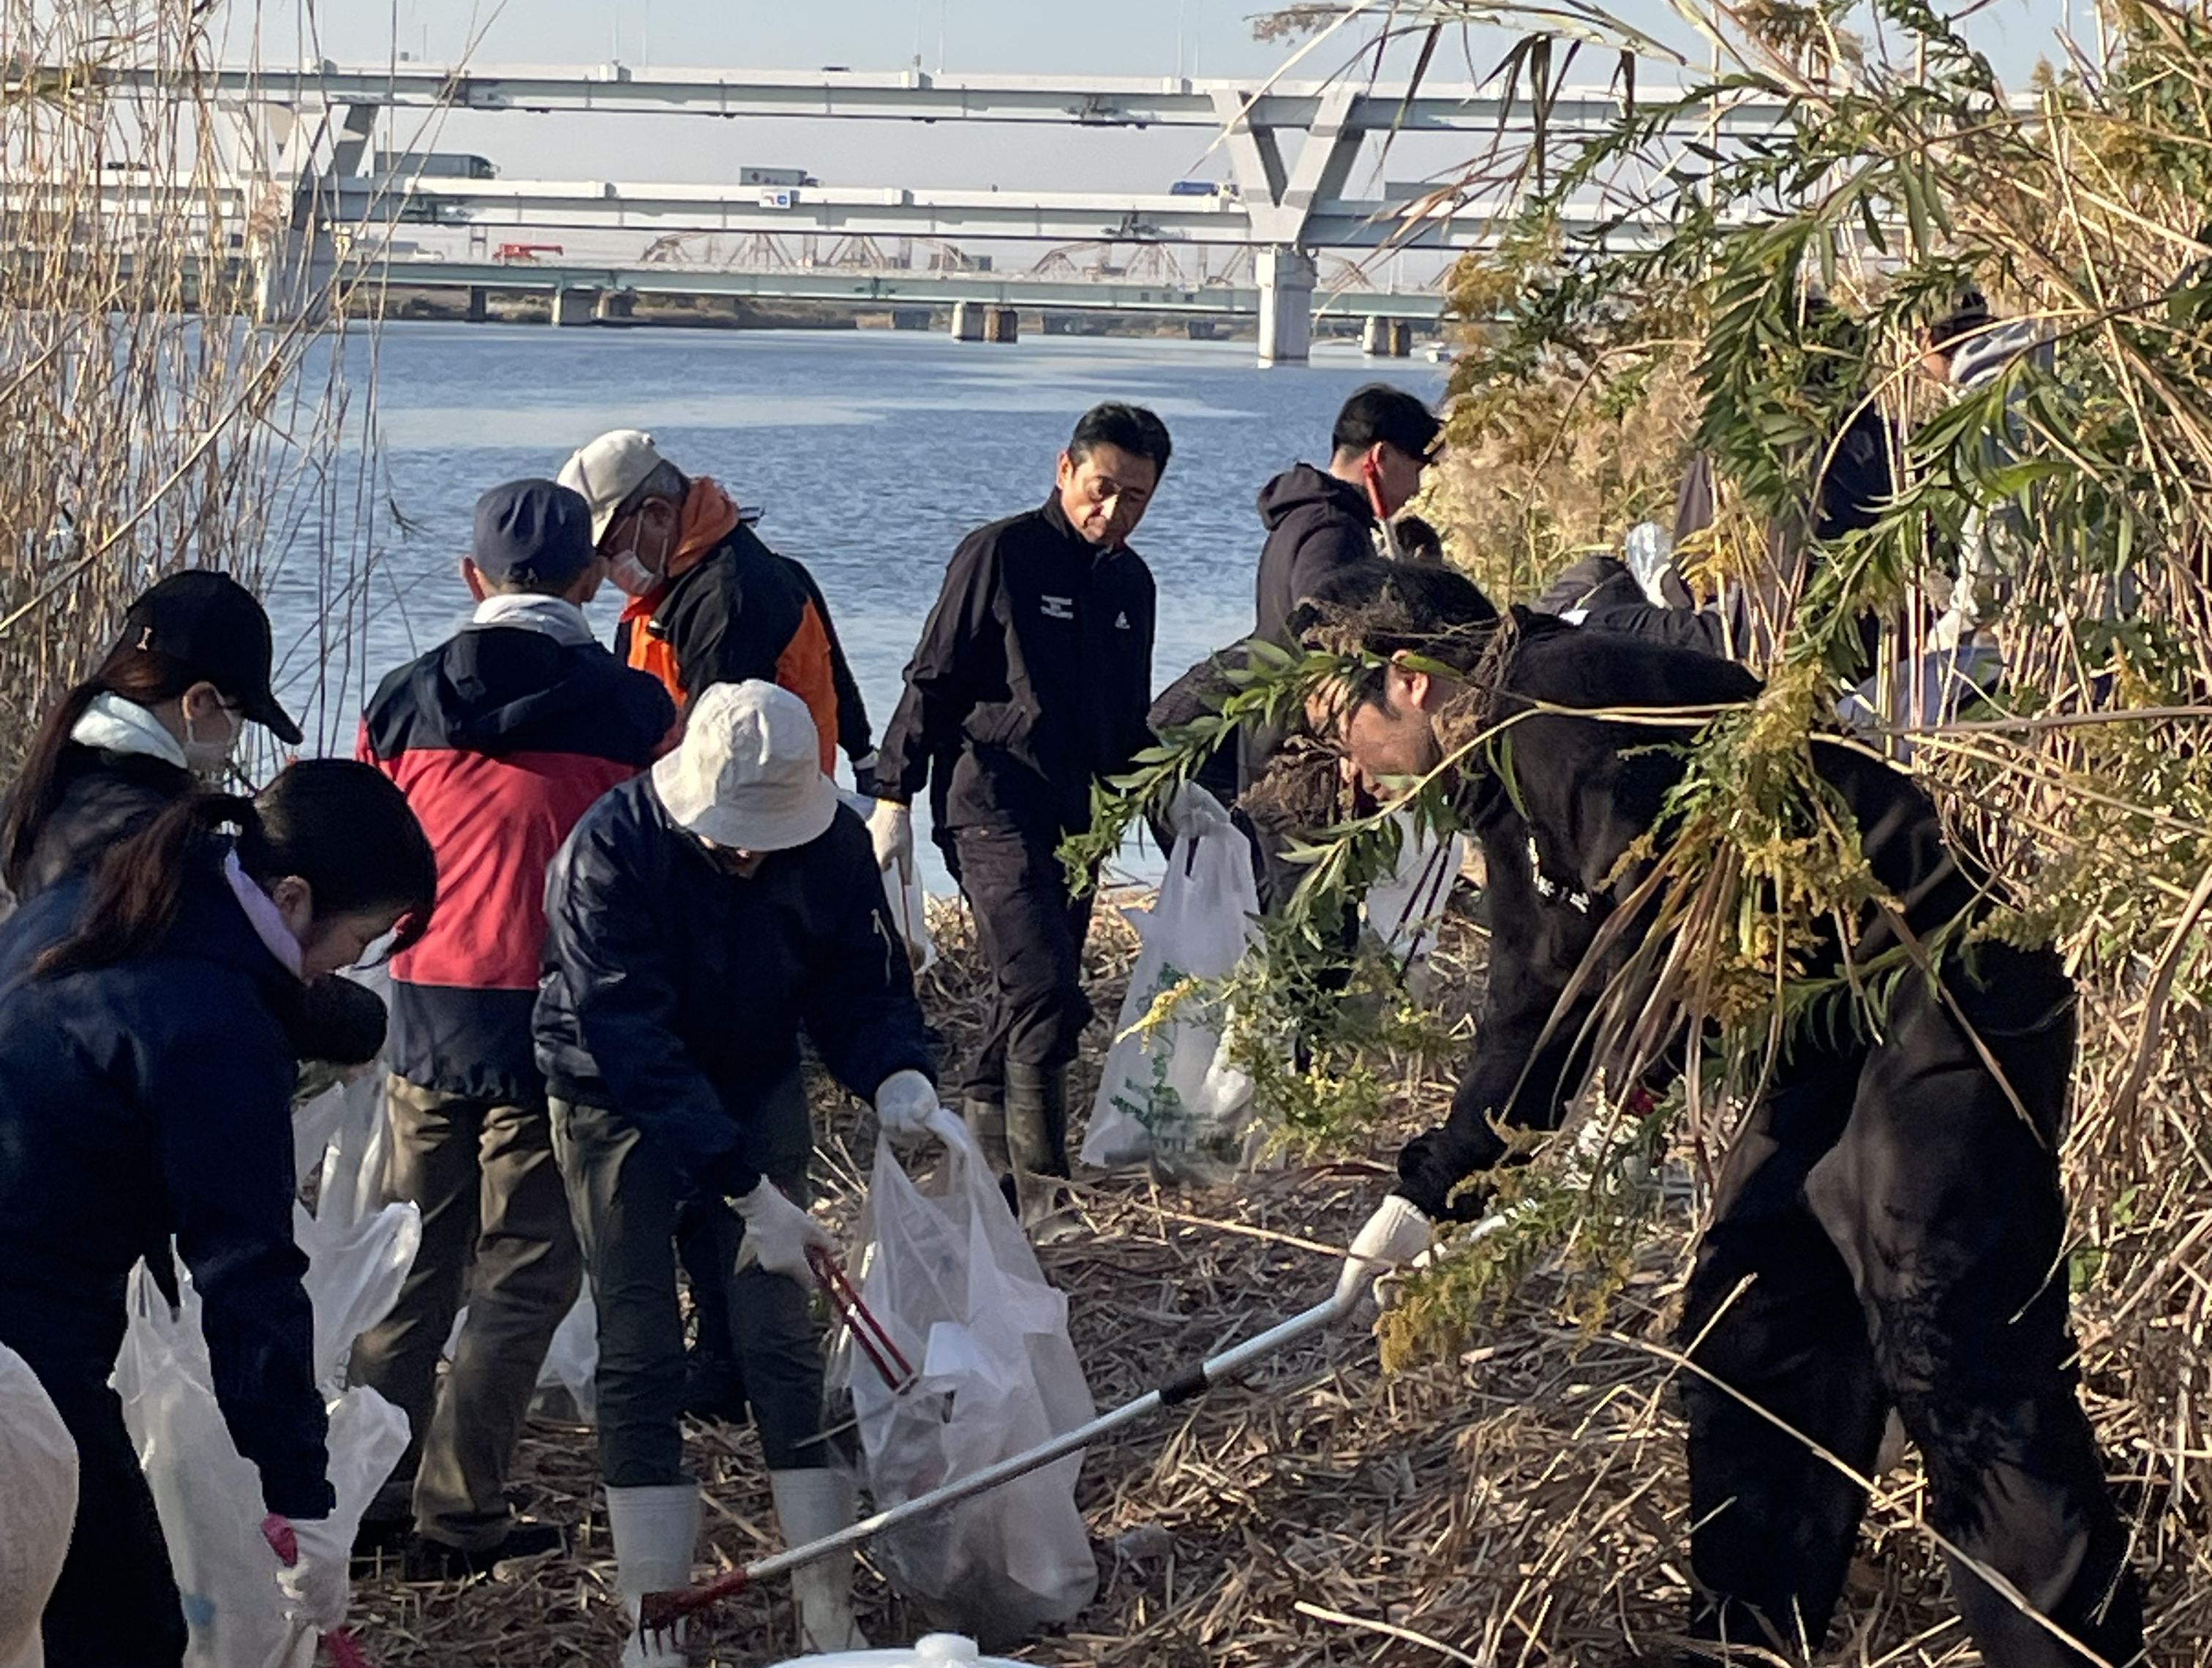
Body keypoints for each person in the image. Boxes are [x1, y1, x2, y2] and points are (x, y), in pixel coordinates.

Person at [1317, 564, 2141, 1668]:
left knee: (1945, 1331)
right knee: (1756, 1316)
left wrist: (1640, 1087)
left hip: (1936, 979)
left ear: (1410, 679)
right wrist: (1436, 1192)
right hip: (1814, 1018)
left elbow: (1656, 906)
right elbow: (1541, 991)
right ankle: (1749, 1642)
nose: (1344, 764)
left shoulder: (1560, 705)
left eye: (1337, 724)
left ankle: (2067, 1652)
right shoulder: (1508, 761)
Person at [535, 680, 939, 1663]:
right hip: (610, 1092)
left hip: (755, 1075)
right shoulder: (607, 849)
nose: (751, 855)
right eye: (733, 839)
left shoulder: (832, 845)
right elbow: (631, 1039)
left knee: (781, 1336)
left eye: (768, 837)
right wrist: (746, 1190)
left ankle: (824, 1602)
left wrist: (895, 1071)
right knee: (639, 1342)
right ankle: (653, 1617)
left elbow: (861, 982)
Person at [0, 761, 438, 1668]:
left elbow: (160, 1003)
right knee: (120, 1628)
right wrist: (303, 1500)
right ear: (294, 896)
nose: (352, 963)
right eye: (359, 939)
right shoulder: (215, 1033)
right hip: (28, 1318)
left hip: (32, 1276)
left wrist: (336, 1027)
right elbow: (248, 1274)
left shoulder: (128, 888)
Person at [348, 481, 675, 1578]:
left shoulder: (400, 701)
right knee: (525, 1274)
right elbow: (662, 864)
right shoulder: (634, 710)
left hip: (426, 1011)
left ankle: (367, 1498)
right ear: (591, 579)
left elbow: (366, 853)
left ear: (470, 575)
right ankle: (460, 1516)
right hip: (556, 1012)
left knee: (410, 1264)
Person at [866, 402, 1170, 1238]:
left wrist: (1171, 798)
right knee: (1044, 986)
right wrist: (893, 795)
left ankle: (985, 1168)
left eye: (1137, 498)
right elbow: (931, 677)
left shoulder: (1131, 586)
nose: (1114, 510)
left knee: (1035, 988)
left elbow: (1128, 721)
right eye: (1103, 487)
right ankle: (1045, 1194)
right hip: (989, 802)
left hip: (1080, 817)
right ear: (1065, 470)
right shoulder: (1001, 554)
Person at [0, 570, 388, 1065]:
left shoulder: (47, 784)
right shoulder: (146, 834)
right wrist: (358, 1020)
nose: (237, 734)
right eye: (241, 715)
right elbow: (226, 965)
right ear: (200, 700)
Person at [556, 429, 864, 779]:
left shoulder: (730, 598)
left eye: (610, 549)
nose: (606, 569)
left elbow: (714, 756)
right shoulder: (668, 579)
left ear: (658, 514)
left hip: (758, 802)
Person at [1244, 383, 1441, 911]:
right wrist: (1359, 746)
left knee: (1290, 910)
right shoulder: (1333, 530)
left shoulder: (1307, 518)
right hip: (1300, 758)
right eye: (1417, 466)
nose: (1417, 487)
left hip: (1276, 741)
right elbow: (1326, 640)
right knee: (1314, 920)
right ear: (1381, 456)